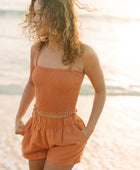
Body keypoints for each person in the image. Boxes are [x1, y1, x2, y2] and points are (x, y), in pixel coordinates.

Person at [15, 0, 106, 169]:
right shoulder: (37, 50)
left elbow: (100, 91)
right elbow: (31, 84)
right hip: (37, 129)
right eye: (33, 14)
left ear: (57, 15)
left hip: (68, 135)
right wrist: (18, 117)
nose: (34, 19)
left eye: (40, 14)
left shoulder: (84, 54)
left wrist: (88, 131)